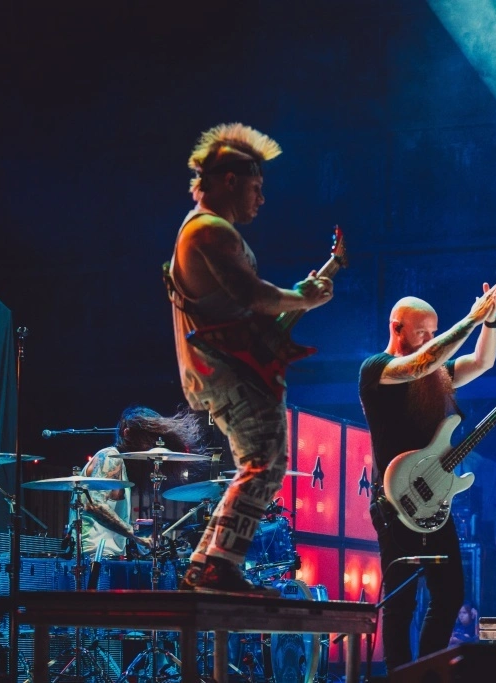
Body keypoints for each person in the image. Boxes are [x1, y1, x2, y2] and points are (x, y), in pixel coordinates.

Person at [165, 122, 335, 593]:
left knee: (261, 463)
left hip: (224, 368)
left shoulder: (205, 229)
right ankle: (218, 566)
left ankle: (205, 563)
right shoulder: (208, 229)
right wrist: (303, 298)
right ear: (230, 181)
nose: (262, 199)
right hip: (228, 371)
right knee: (265, 462)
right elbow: (253, 295)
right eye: (256, 187)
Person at [360, 282, 496, 670]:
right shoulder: (376, 369)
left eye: (433, 332)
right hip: (394, 501)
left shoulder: (437, 376)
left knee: (450, 593)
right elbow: (421, 362)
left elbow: (483, 361)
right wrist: (470, 318)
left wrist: (490, 321)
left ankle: (425, 671)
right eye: (422, 332)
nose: (431, 339)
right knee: (401, 601)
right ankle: (399, 676)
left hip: (434, 500)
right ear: (397, 329)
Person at [74, 406, 203, 559]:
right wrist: (134, 536)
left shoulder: (122, 467)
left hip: (107, 555)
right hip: (92, 556)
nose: (150, 447)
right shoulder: (110, 457)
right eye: (147, 439)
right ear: (127, 434)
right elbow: (93, 505)